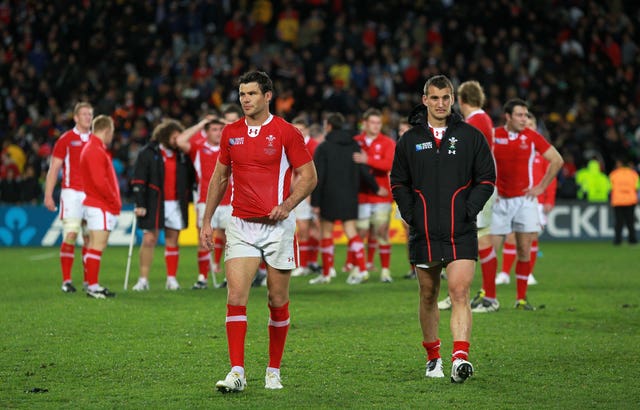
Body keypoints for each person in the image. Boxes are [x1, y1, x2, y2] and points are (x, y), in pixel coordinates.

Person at [199, 71, 317, 392]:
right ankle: (237, 371)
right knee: (235, 296)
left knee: (277, 300)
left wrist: (288, 204)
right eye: (241, 94)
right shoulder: (230, 133)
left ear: (268, 96)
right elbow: (220, 178)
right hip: (241, 225)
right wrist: (207, 220)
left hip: (278, 227)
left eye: (251, 93)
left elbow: (308, 177)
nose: (245, 99)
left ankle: (273, 369)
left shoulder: (286, 132)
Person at [391, 75, 496, 383]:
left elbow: (486, 179)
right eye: (434, 98)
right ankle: (433, 356)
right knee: (428, 295)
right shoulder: (410, 140)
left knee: (460, 291)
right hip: (423, 232)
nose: (440, 103)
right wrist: (411, 214)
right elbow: (398, 182)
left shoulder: (471, 136)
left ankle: (460, 357)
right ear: (425, 100)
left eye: (446, 98)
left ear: (453, 100)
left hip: (460, 230)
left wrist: (469, 209)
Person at [472, 99, 564, 312]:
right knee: (489, 249)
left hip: (525, 202)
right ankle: (489, 297)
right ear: (508, 116)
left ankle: (521, 299)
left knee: (524, 249)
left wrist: (541, 187)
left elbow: (557, 160)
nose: (524, 119)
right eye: (520, 115)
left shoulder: (532, 137)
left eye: (526, 115)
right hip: (498, 201)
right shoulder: (494, 136)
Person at [438, 80, 497, 311]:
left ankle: (490, 298)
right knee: (468, 240)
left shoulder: (476, 122)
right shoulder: (481, 120)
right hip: (475, 188)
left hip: (475, 189)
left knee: (480, 240)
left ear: (460, 100)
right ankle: (460, 294)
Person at [308, 112, 383, 285]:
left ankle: (326, 273)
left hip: (329, 196)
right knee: (351, 232)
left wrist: (315, 202)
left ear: (328, 126)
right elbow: (364, 169)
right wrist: (376, 188)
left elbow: (319, 176)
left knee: (326, 233)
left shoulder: (323, 148)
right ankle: (362, 269)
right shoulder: (354, 146)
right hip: (350, 195)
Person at [130, 119, 195, 291]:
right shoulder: (148, 152)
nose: (177, 141)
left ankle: (171, 279)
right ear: (165, 136)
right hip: (153, 202)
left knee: (173, 240)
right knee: (149, 239)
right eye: (174, 137)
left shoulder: (181, 155)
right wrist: (139, 202)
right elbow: (139, 179)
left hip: (175, 203)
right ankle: (143, 280)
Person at [495, 113, 557, 286]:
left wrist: (548, 198)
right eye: (525, 124)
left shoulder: (542, 150)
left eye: (531, 124)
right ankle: (505, 273)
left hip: (535, 200)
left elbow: (551, 177)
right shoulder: (515, 146)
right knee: (511, 236)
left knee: (531, 239)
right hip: (515, 197)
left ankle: (528, 274)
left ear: (535, 127)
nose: (527, 127)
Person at [44, 102, 93, 293]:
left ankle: (89, 281)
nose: (88, 117)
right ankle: (67, 281)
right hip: (72, 193)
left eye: (90, 114)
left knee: (90, 238)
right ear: (76, 117)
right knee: (71, 234)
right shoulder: (65, 139)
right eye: (84, 114)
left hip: (91, 194)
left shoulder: (96, 140)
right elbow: (54, 168)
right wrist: (48, 195)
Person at [175, 115, 227, 289]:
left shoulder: (230, 146)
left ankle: (229, 278)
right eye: (214, 129)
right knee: (203, 238)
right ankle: (202, 278)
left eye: (220, 129)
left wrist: (227, 124)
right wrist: (201, 123)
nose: (218, 132)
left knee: (232, 240)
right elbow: (180, 140)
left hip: (230, 200)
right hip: (205, 199)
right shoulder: (198, 147)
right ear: (206, 132)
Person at [352, 108, 396, 282]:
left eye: (379, 123)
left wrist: (367, 160)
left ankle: (385, 271)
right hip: (361, 196)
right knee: (360, 233)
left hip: (381, 195)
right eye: (373, 122)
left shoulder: (387, 142)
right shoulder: (356, 141)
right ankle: (358, 268)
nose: (376, 126)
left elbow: (389, 164)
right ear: (364, 123)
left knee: (382, 232)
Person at [79, 115, 120, 299]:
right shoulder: (95, 149)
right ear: (106, 130)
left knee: (94, 244)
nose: (112, 136)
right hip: (99, 204)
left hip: (95, 203)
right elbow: (100, 181)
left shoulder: (94, 148)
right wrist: (113, 201)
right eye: (112, 132)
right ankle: (93, 287)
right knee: (98, 245)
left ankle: (91, 284)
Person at [290, 116, 321, 277]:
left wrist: (313, 195)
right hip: (299, 194)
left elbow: (318, 173)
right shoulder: (291, 146)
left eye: (301, 130)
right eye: (296, 130)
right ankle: (305, 264)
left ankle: (310, 262)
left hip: (312, 194)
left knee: (315, 230)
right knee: (303, 229)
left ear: (308, 130)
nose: (299, 133)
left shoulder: (315, 146)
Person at [609, 158, 639, 245]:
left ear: (620, 164)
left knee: (619, 222)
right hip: (630, 200)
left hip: (618, 201)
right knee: (630, 222)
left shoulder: (614, 174)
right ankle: (632, 240)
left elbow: (610, 188)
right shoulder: (633, 174)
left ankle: (617, 240)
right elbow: (637, 187)